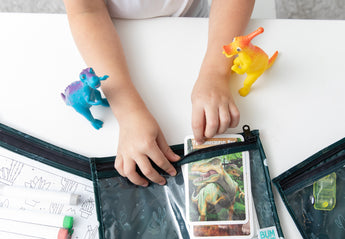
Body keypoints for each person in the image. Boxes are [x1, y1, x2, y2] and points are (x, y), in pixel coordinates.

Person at [63, 0, 255, 187]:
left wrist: (216, 72)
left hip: (200, 24)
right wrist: (128, 111)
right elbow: (85, 10)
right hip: (107, 38)